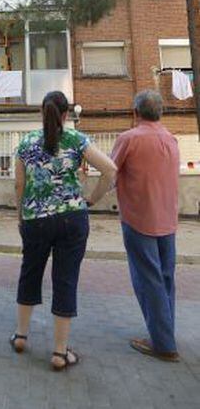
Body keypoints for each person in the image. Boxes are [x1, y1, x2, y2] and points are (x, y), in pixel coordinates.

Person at [11, 91, 117, 370]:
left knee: (29, 272)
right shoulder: (77, 140)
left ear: (41, 112)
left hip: (35, 220)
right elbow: (111, 170)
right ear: (66, 114)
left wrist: (20, 215)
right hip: (72, 218)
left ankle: (21, 336)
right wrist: (91, 200)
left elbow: (19, 186)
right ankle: (59, 353)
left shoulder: (26, 143)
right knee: (65, 279)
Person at [111, 90, 180, 362]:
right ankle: (165, 334)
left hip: (139, 220)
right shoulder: (172, 139)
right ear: (160, 112)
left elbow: (109, 171)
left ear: (135, 112)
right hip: (168, 221)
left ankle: (163, 344)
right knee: (165, 279)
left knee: (148, 280)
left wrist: (90, 197)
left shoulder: (129, 139)